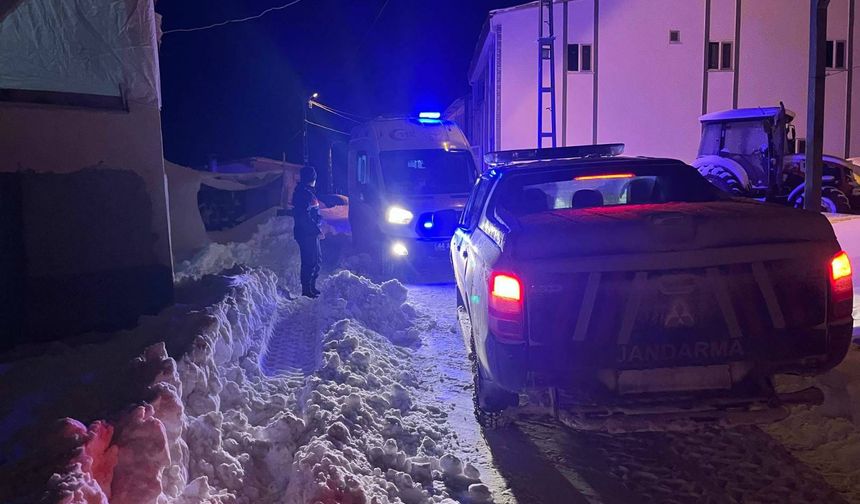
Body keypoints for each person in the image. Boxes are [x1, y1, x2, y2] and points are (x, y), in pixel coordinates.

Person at [292, 165, 322, 298]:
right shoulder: (302, 193)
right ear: (311, 178)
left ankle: (312, 286)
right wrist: (315, 229)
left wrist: (319, 219)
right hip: (306, 233)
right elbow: (303, 216)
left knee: (316, 260)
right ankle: (306, 290)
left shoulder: (308, 192)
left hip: (311, 232)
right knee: (309, 261)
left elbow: (313, 211)